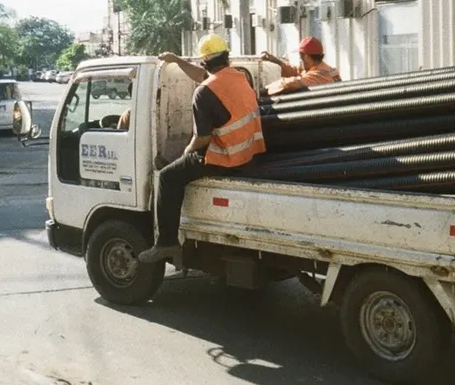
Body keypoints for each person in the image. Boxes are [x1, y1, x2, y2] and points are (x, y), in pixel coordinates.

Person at [138, 34, 266, 263]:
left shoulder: (204, 92)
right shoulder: (240, 78)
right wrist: (177, 60)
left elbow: (202, 139)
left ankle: (166, 244)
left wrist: (185, 153)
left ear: (204, 61)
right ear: (226, 56)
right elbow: (202, 76)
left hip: (228, 158)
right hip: (251, 153)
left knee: (168, 177)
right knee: (180, 164)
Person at [261, 36, 341, 96]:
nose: (300, 60)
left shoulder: (319, 74)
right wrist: (277, 61)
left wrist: (264, 89)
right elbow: (298, 71)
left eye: (300, 57)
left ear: (306, 57)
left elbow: (291, 83)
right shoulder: (325, 68)